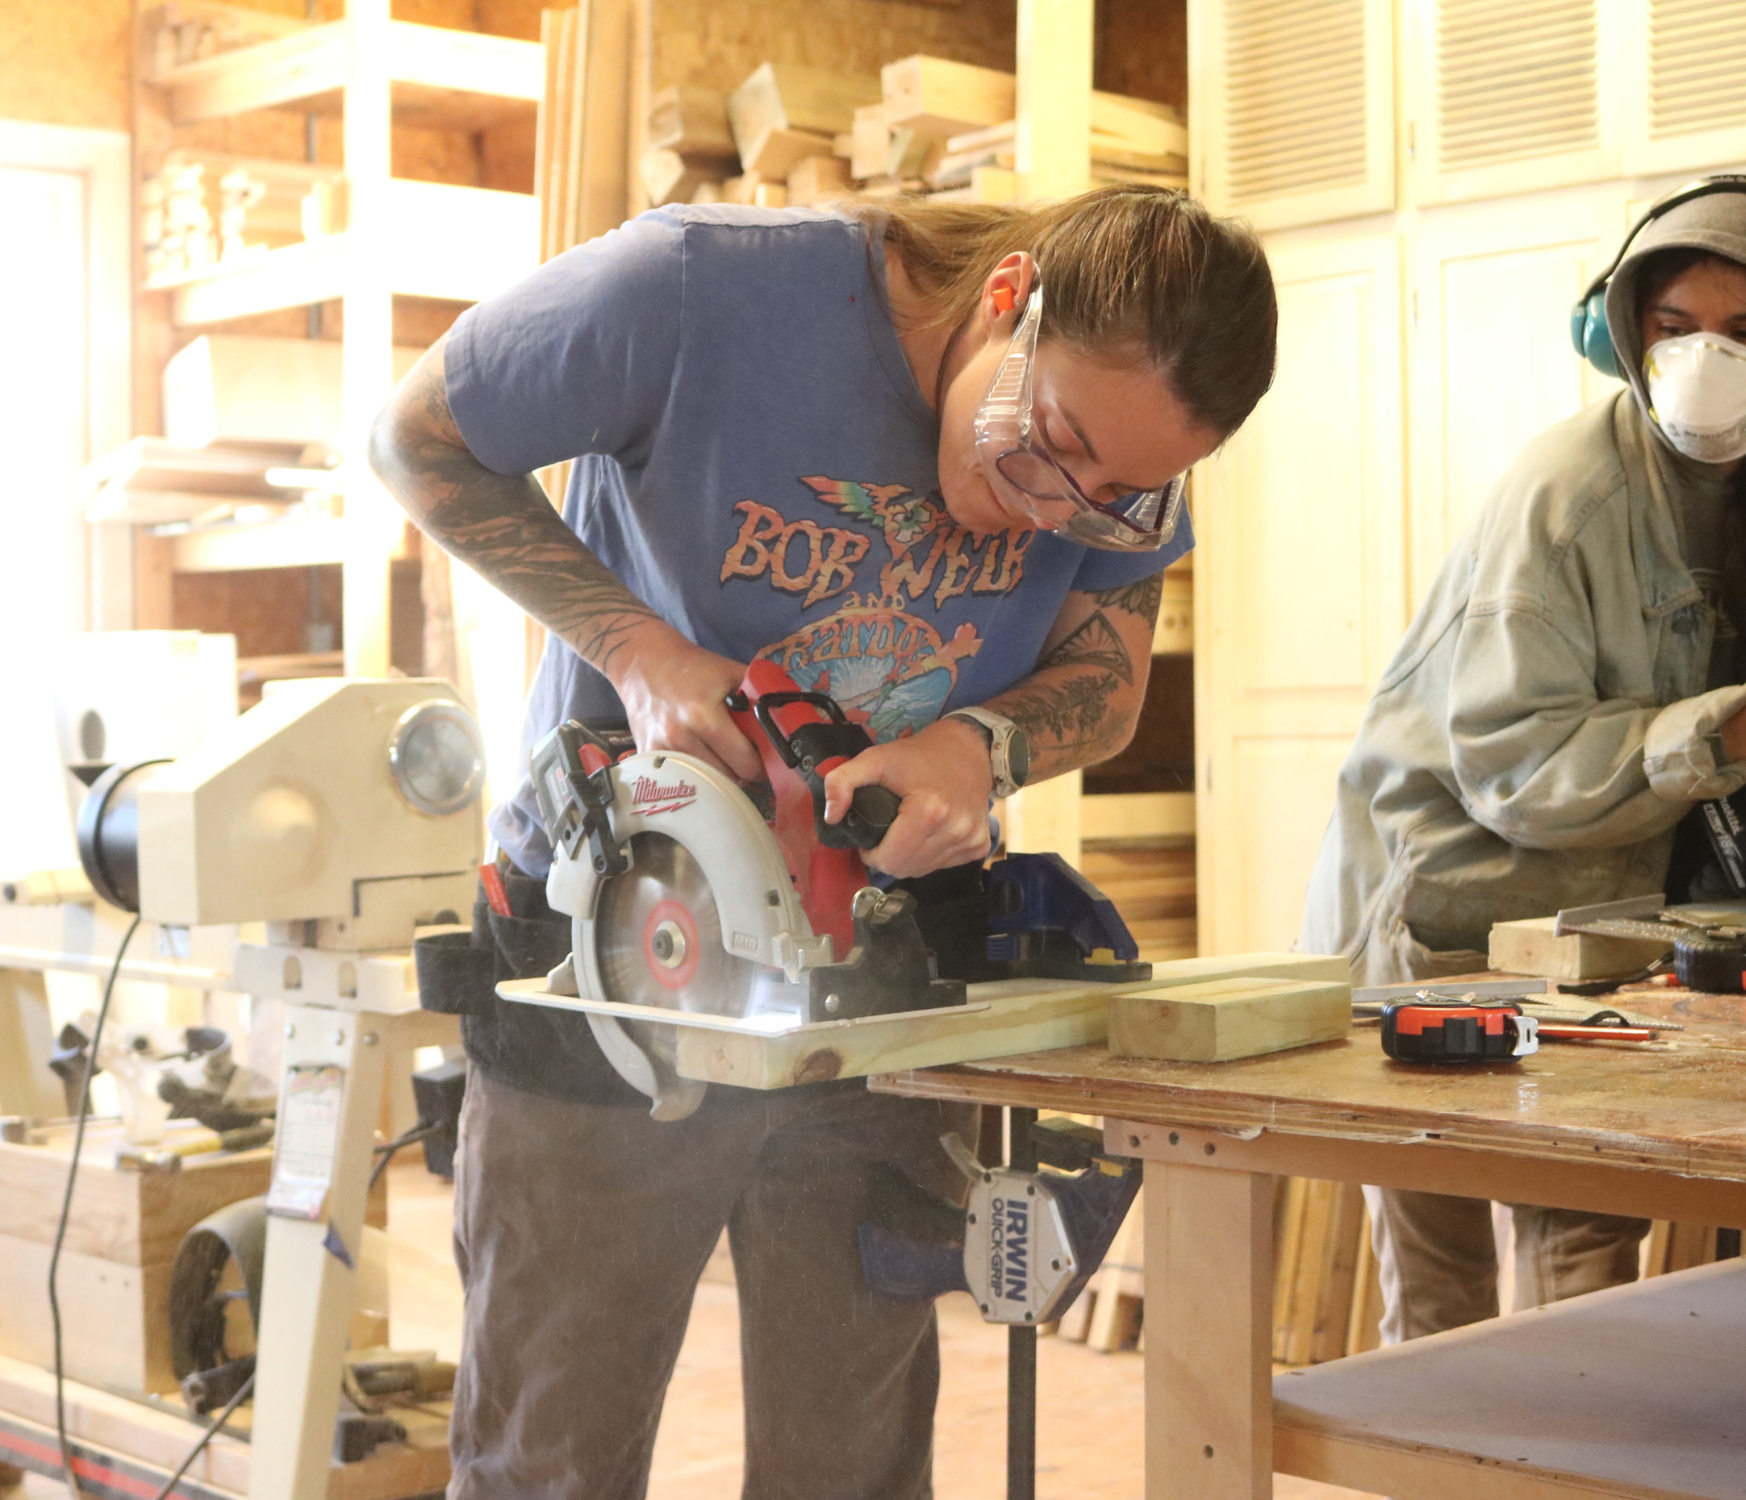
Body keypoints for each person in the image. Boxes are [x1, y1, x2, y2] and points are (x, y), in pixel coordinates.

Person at [369, 185, 1277, 1498]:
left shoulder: (1126, 446)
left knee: (847, 1465)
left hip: (875, 975)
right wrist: (638, 651)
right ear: (1009, 298)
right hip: (616, 960)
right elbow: (416, 441)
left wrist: (983, 747)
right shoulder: (697, 293)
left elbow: (1108, 677)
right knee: (550, 1457)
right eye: (1052, 440)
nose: (1053, 510)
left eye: (1114, 495)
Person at [1299, 171, 1746, 1344]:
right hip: (1444, 910)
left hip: (1621, 919)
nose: (1704, 359)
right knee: (1437, 1288)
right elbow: (1510, 764)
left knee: (1585, 1241)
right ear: (1620, 335)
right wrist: (1741, 728)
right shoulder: (1565, 492)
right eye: (1672, 329)